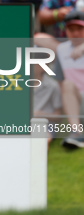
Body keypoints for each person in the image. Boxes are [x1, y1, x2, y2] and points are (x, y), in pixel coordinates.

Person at [54, 10, 84, 148]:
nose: (75, 33)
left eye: (80, 29)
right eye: (71, 29)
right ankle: (76, 133)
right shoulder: (61, 49)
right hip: (76, 103)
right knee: (67, 84)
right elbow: (60, 83)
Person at [33, 51, 62, 147]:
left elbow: (58, 116)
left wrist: (41, 115)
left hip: (45, 125)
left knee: (43, 138)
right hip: (21, 124)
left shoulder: (52, 86)